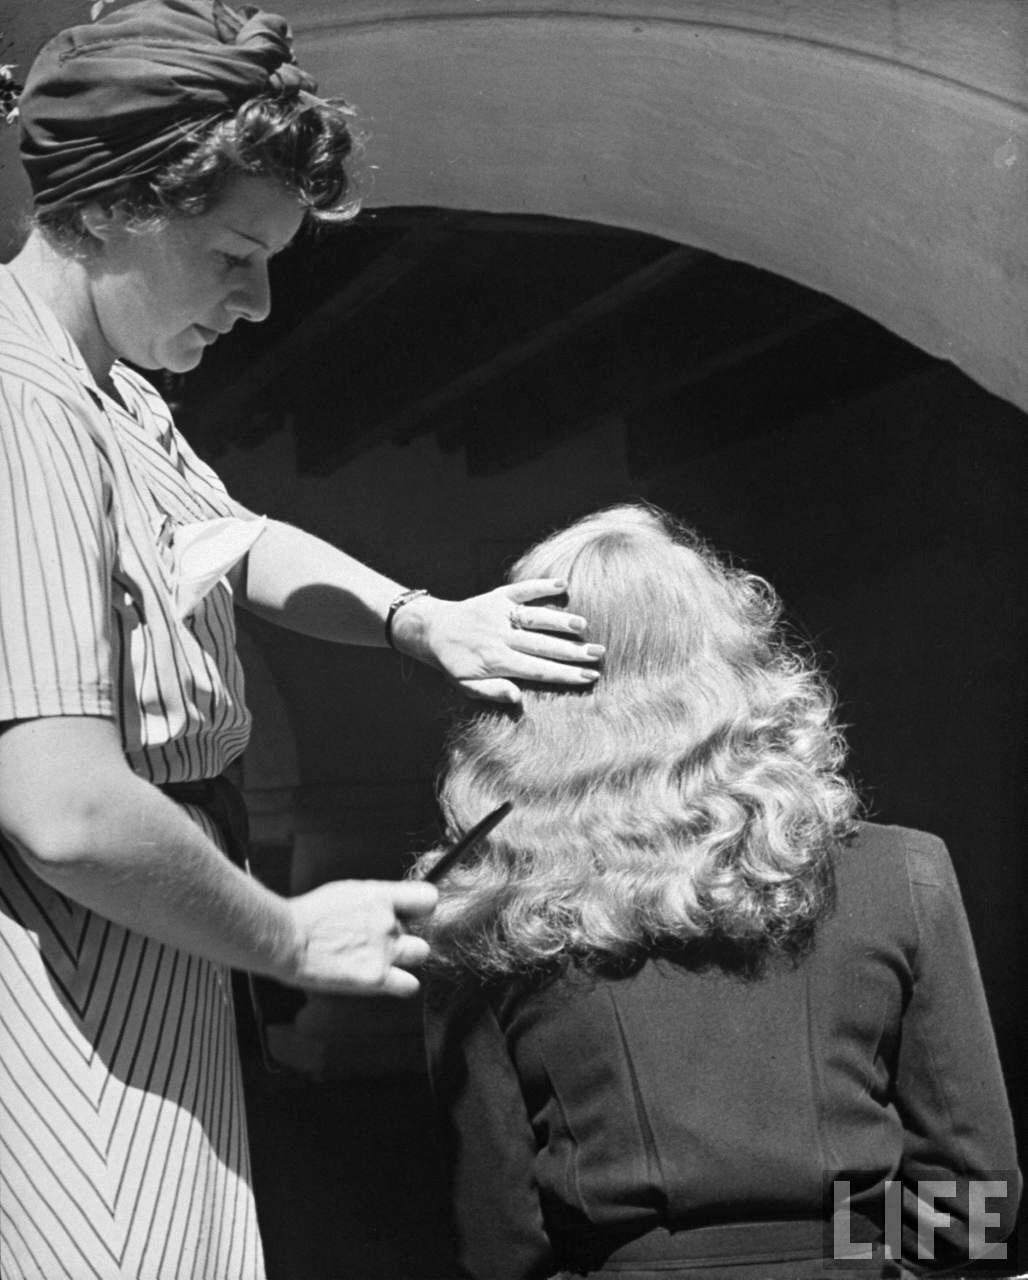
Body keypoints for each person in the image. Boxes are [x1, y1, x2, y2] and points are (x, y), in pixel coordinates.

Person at [0, 3, 605, 1276]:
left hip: (151, 970)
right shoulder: (20, 408)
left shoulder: (112, 394)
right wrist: (286, 936)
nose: (263, 301)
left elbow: (237, 539)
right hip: (71, 995)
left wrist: (414, 618)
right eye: (233, 253)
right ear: (111, 206)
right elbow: (67, 809)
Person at [415, 504, 1021, 1280]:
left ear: (519, 693)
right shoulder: (900, 873)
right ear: (733, 656)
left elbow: (498, 1237)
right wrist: (840, 1252)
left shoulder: (478, 911)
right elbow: (973, 1193)